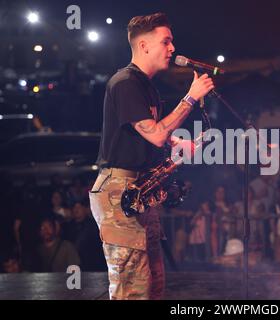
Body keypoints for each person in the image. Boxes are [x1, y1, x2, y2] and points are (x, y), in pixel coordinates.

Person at [89, 13, 214, 300]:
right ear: (144, 46)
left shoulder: (146, 86)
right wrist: (190, 98)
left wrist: (176, 141)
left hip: (139, 191)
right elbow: (154, 133)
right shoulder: (125, 83)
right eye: (166, 41)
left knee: (152, 283)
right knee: (133, 288)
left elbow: (147, 133)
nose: (172, 48)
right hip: (120, 192)